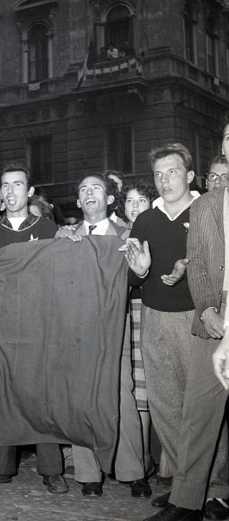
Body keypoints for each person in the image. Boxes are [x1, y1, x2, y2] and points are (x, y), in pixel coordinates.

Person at [145, 124, 229, 521]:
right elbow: (196, 262)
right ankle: (187, 499)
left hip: (215, 314)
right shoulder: (205, 206)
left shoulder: (203, 203)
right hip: (207, 318)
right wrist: (208, 309)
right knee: (192, 411)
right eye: (228, 137)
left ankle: (218, 493)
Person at [0, 162, 66, 494]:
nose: (10, 192)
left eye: (17, 185)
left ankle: (51, 469)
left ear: (30, 190)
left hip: (38, 323)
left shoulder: (48, 228)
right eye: (5, 186)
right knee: (1, 394)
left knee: (40, 396)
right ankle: (1, 466)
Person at [123, 143, 206, 510]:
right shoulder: (145, 220)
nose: (164, 180)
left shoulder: (206, 213)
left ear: (189, 175)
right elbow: (132, 277)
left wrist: (191, 270)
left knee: (200, 408)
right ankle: (183, 486)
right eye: (158, 174)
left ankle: (215, 489)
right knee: (165, 406)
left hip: (196, 318)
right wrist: (139, 272)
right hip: (154, 317)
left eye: (172, 172)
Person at [57, 174, 147, 498]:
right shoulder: (65, 236)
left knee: (122, 394)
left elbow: (138, 279)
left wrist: (138, 266)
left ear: (109, 199)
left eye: (96, 187)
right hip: (76, 330)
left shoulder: (126, 234)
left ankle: (133, 471)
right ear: (78, 202)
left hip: (113, 328)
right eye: (83, 189)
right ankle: (88, 474)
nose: (89, 193)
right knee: (80, 398)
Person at [122, 181, 159, 478]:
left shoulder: (156, 229)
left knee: (152, 387)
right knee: (136, 387)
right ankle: (140, 458)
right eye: (129, 201)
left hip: (153, 309)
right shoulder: (118, 234)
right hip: (127, 310)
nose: (135, 206)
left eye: (141, 200)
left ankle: (154, 458)